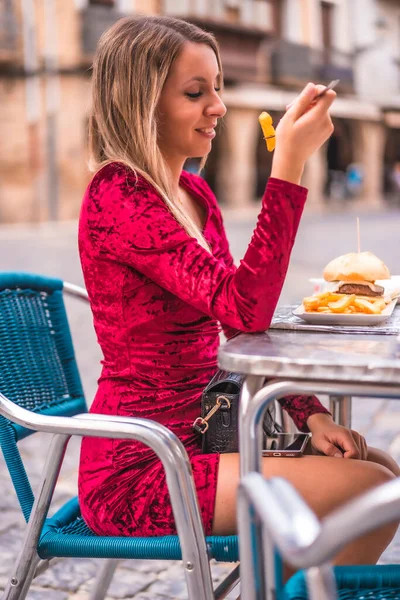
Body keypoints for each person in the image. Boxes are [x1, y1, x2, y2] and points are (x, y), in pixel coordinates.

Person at [78, 15, 399, 568]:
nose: (219, 108)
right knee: (370, 493)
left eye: (219, 89)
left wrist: (310, 414)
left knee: (386, 473)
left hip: (208, 434)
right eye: (196, 92)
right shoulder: (119, 195)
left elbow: (239, 325)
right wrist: (290, 166)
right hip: (145, 465)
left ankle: (292, 583)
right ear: (142, 102)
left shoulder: (193, 192)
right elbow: (245, 303)